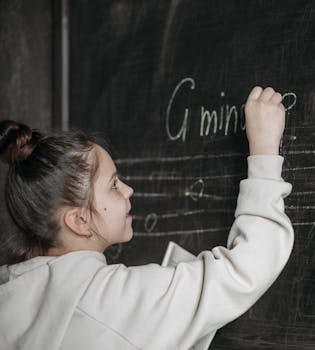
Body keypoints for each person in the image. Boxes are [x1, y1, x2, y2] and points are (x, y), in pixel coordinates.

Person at [0, 86, 294, 350]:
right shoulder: (110, 303)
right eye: (114, 185)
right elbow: (244, 271)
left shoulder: (12, 297)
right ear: (79, 221)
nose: (128, 189)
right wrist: (265, 153)